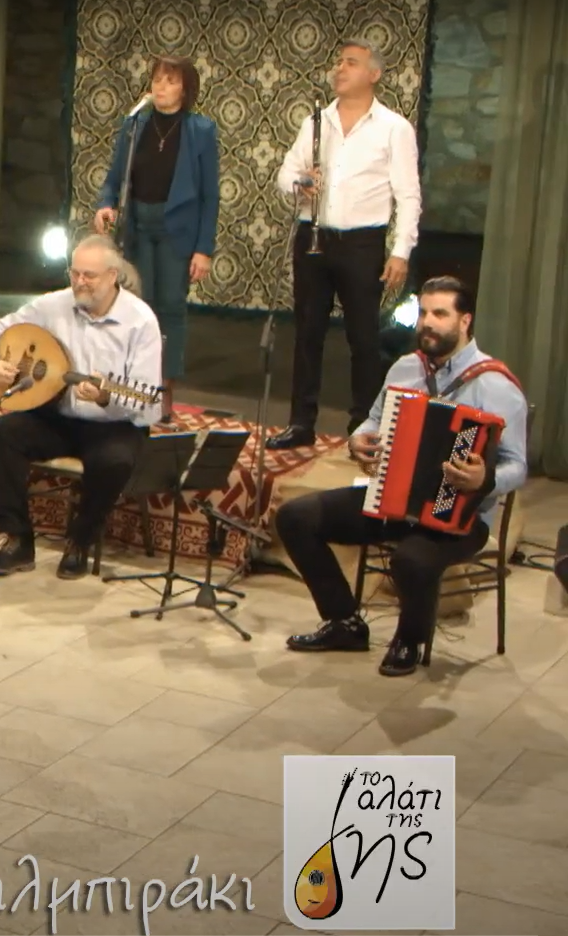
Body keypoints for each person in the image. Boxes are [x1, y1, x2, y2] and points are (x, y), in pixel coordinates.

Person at [278, 277, 527, 676]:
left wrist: (485, 478)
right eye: (423, 312)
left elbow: (518, 465)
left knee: (410, 560)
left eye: (440, 314)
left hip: (459, 519)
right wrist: (358, 440)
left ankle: (410, 640)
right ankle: (344, 622)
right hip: (391, 498)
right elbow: (372, 420)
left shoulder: (495, 385)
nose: (427, 322)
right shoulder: (406, 367)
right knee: (295, 517)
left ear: (465, 321)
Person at [0, 235, 164, 579]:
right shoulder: (55, 304)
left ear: (113, 276)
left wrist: (107, 396)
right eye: (74, 273)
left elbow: (149, 404)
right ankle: (18, 541)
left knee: (115, 461)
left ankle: (80, 541)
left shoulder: (140, 321)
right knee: (4, 432)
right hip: (59, 416)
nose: (79, 282)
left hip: (113, 425)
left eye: (89, 275)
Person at [268, 37, 422, 450]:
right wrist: (301, 182)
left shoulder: (394, 128)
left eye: (351, 62)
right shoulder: (316, 122)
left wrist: (400, 252)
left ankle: (363, 427)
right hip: (313, 235)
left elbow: (409, 195)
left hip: (362, 243)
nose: (340, 68)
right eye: (339, 61)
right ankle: (301, 423)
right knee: (307, 334)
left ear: (374, 74)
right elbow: (286, 173)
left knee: (363, 339)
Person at [92, 54, 220, 425]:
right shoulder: (134, 124)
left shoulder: (200, 130)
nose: (161, 87)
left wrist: (204, 249)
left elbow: (210, 195)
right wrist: (106, 205)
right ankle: (133, 391)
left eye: (170, 81)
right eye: (157, 80)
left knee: (169, 310)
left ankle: (163, 395)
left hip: (176, 230)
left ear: (185, 89)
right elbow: (115, 177)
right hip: (137, 226)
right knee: (136, 307)